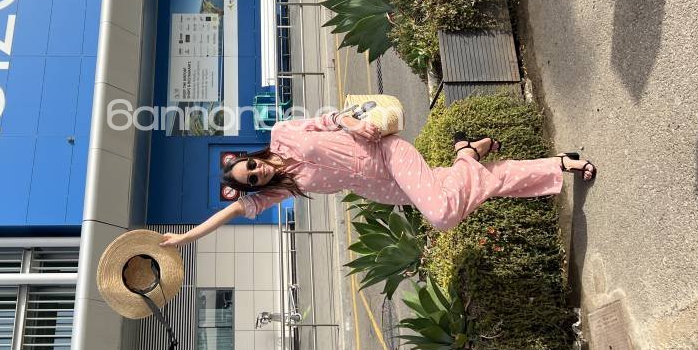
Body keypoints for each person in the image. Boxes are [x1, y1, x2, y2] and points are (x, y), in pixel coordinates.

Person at [159, 111, 596, 248]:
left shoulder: (283, 133)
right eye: (252, 180)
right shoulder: (281, 189)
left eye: (251, 167)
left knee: (444, 214)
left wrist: (351, 121)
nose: (258, 174)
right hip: (383, 188)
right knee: (485, 184)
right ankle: (559, 164)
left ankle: (466, 153)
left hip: (386, 152)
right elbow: (232, 212)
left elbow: (328, 118)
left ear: (252, 158)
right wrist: (183, 238)